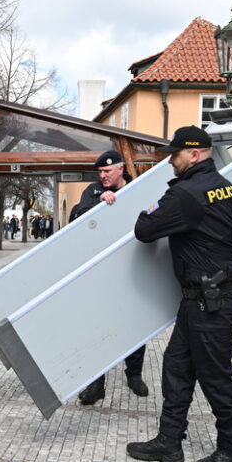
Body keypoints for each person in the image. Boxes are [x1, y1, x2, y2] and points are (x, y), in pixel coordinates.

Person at [126, 126, 232, 462]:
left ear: (194, 154)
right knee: (177, 368)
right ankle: (169, 442)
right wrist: (225, 272)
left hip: (209, 302)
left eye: (175, 154)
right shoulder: (229, 187)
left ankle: (231, 450)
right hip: (209, 298)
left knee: (215, 378)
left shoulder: (187, 193)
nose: (170, 161)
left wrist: (148, 208)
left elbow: (145, 229)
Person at [72, 150, 149, 405]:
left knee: (135, 326)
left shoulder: (137, 188)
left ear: (120, 169)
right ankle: (96, 384)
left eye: (107, 171)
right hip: (102, 273)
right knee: (99, 327)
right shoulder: (92, 192)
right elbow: (78, 218)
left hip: (132, 270)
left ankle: (134, 375)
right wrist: (99, 205)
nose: (102, 176)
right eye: (100, 172)